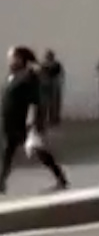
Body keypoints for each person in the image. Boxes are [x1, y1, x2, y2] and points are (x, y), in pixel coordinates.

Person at [1, 46, 70, 193]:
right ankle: (1, 182)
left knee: (39, 151)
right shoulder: (13, 75)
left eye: (11, 57)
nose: (9, 60)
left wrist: (32, 125)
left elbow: (34, 101)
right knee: (8, 153)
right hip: (11, 123)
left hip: (24, 123)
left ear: (20, 59)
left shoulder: (29, 75)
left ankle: (61, 179)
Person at [40, 48, 64, 126]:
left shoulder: (56, 65)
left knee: (54, 103)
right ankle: (50, 119)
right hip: (47, 85)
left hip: (53, 84)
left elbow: (60, 75)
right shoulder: (44, 65)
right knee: (48, 103)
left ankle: (53, 119)